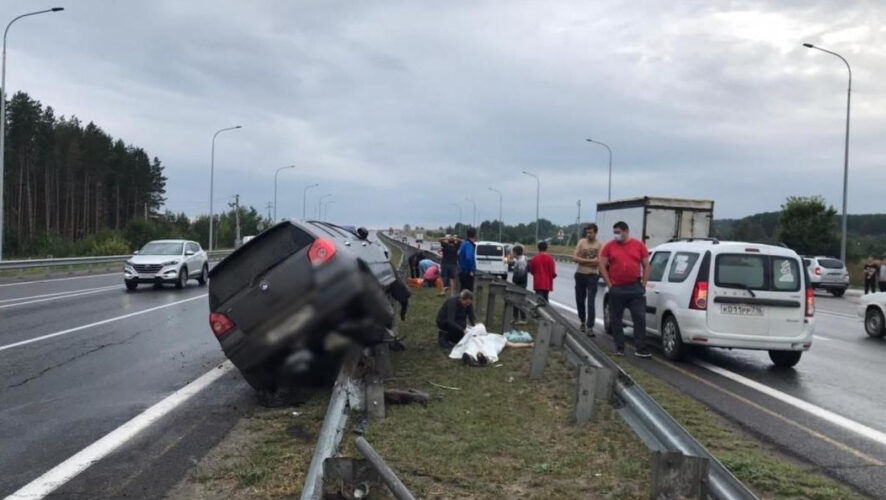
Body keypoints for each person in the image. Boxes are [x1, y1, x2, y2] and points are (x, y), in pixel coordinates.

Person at [599, 221, 652, 358]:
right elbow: (602, 265)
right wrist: (609, 284)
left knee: (639, 318)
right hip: (617, 288)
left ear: (626, 231)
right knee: (616, 319)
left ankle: (640, 347)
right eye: (614, 233)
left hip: (635, 287)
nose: (616, 235)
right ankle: (619, 347)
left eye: (618, 232)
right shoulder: (609, 246)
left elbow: (646, 265)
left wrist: (644, 284)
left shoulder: (639, 245)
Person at [573, 223, 603, 336]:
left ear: (595, 232)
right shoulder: (581, 242)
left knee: (590, 302)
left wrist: (583, 260)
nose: (588, 235)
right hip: (580, 274)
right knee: (580, 300)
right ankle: (582, 321)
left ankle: (590, 326)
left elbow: (599, 261)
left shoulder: (600, 244)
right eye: (587, 232)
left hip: (592, 275)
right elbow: (574, 258)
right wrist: (591, 261)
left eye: (590, 233)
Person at [510, 245, 529, 324]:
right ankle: (516, 318)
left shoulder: (521, 261)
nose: (512, 254)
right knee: (516, 301)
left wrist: (515, 280)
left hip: (520, 284)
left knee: (519, 301)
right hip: (519, 284)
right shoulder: (519, 259)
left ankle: (522, 318)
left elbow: (521, 274)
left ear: (516, 252)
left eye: (513, 252)